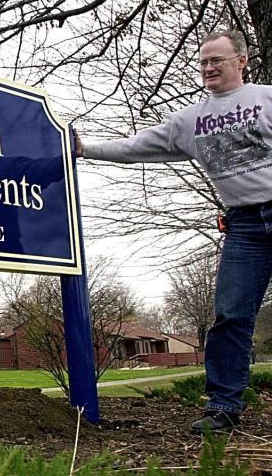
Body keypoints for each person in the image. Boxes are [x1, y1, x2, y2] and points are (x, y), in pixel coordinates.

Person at [76, 30, 272, 433]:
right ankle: (223, 409)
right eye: (203, 61)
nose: (209, 67)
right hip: (245, 228)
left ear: (242, 60)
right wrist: (85, 149)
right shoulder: (190, 121)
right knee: (230, 316)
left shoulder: (266, 99)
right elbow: (136, 147)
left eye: (217, 59)